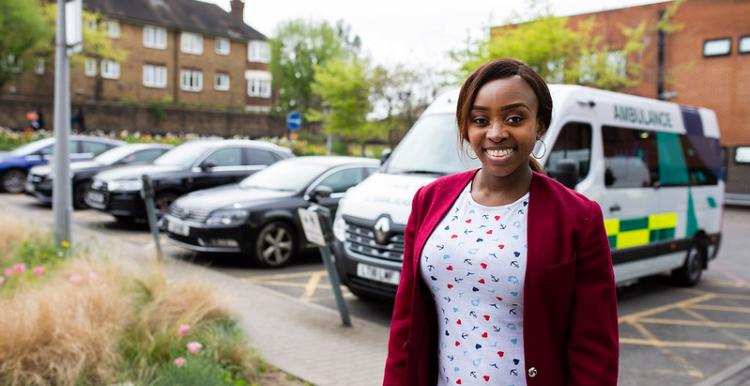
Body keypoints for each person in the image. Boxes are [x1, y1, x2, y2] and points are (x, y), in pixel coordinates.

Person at [383, 58, 618, 386]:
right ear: (466, 127)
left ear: (540, 124)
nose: (496, 133)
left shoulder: (579, 217)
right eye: (480, 119)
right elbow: (406, 326)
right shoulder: (429, 200)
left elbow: (594, 349)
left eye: (515, 118)